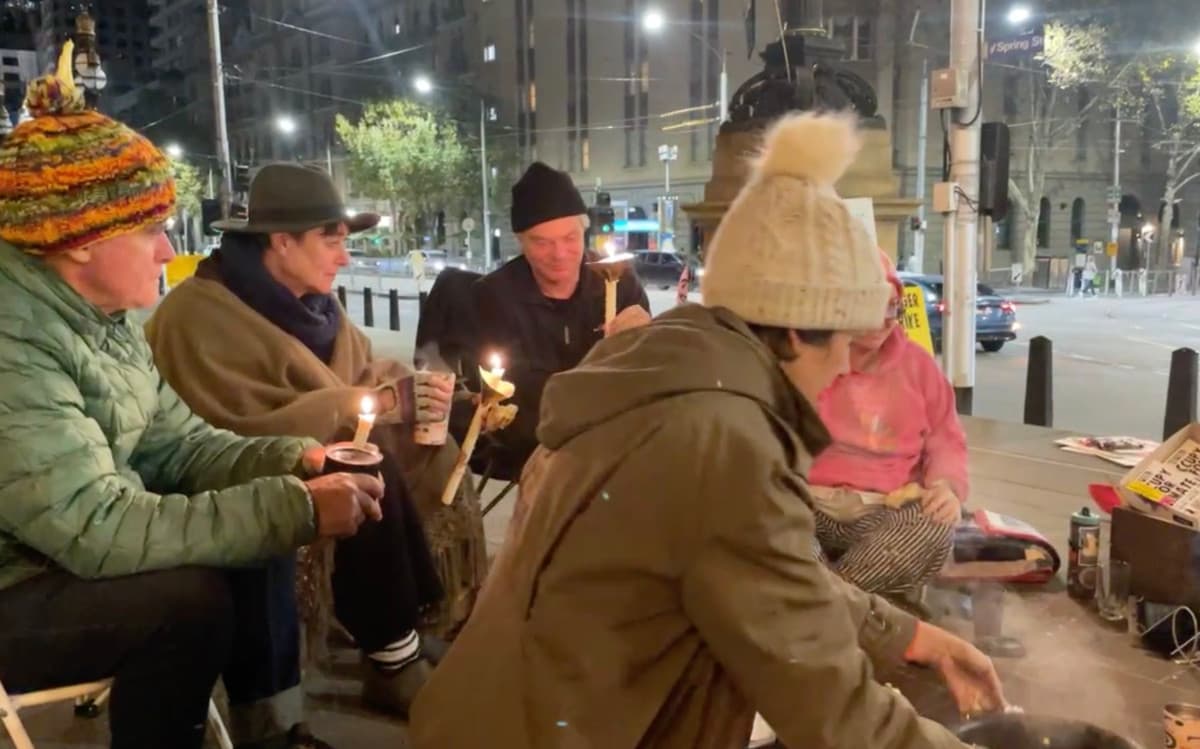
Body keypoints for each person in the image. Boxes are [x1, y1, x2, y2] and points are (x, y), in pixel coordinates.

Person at [410, 113, 1004, 748]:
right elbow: (831, 705)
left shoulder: (673, 377)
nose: (843, 371)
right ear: (796, 329)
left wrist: (903, 635)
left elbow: (775, 581)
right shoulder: (720, 442)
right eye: (843, 343)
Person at [0, 48, 381, 749]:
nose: (165, 247)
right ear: (79, 241)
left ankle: (271, 726)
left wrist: (295, 459)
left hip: (54, 554)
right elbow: (95, 524)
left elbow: (177, 443)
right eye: (149, 227)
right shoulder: (13, 343)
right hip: (16, 583)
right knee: (187, 602)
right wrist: (292, 507)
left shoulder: (101, 319)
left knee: (259, 511)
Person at [145, 164, 488, 714]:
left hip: (311, 447)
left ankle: (414, 615)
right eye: (332, 240)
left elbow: (360, 372)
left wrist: (406, 391)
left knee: (434, 449)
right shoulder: (195, 315)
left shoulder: (316, 306)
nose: (345, 257)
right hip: (228, 477)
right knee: (360, 468)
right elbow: (224, 429)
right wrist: (357, 408)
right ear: (281, 242)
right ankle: (391, 656)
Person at [470, 162, 651, 476]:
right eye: (542, 242)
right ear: (521, 242)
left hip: (614, 440)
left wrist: (647, 340)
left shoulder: (619, 282)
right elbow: (504, 400)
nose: (560, 253)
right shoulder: (493, 298)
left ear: (584, 232)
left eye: (570, 237)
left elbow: (647, 377)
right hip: (531, 448)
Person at [807, 251, 964, 596]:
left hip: (886, 510)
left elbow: (946, 439)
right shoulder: (807, 357)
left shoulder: (919, 367)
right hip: (807, 504)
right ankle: (857, 607)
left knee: (934, 527)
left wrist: (946, 489)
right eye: (874, 306)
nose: (887, 319)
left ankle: (826, 601)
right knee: (763, 523)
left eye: (894, 306)